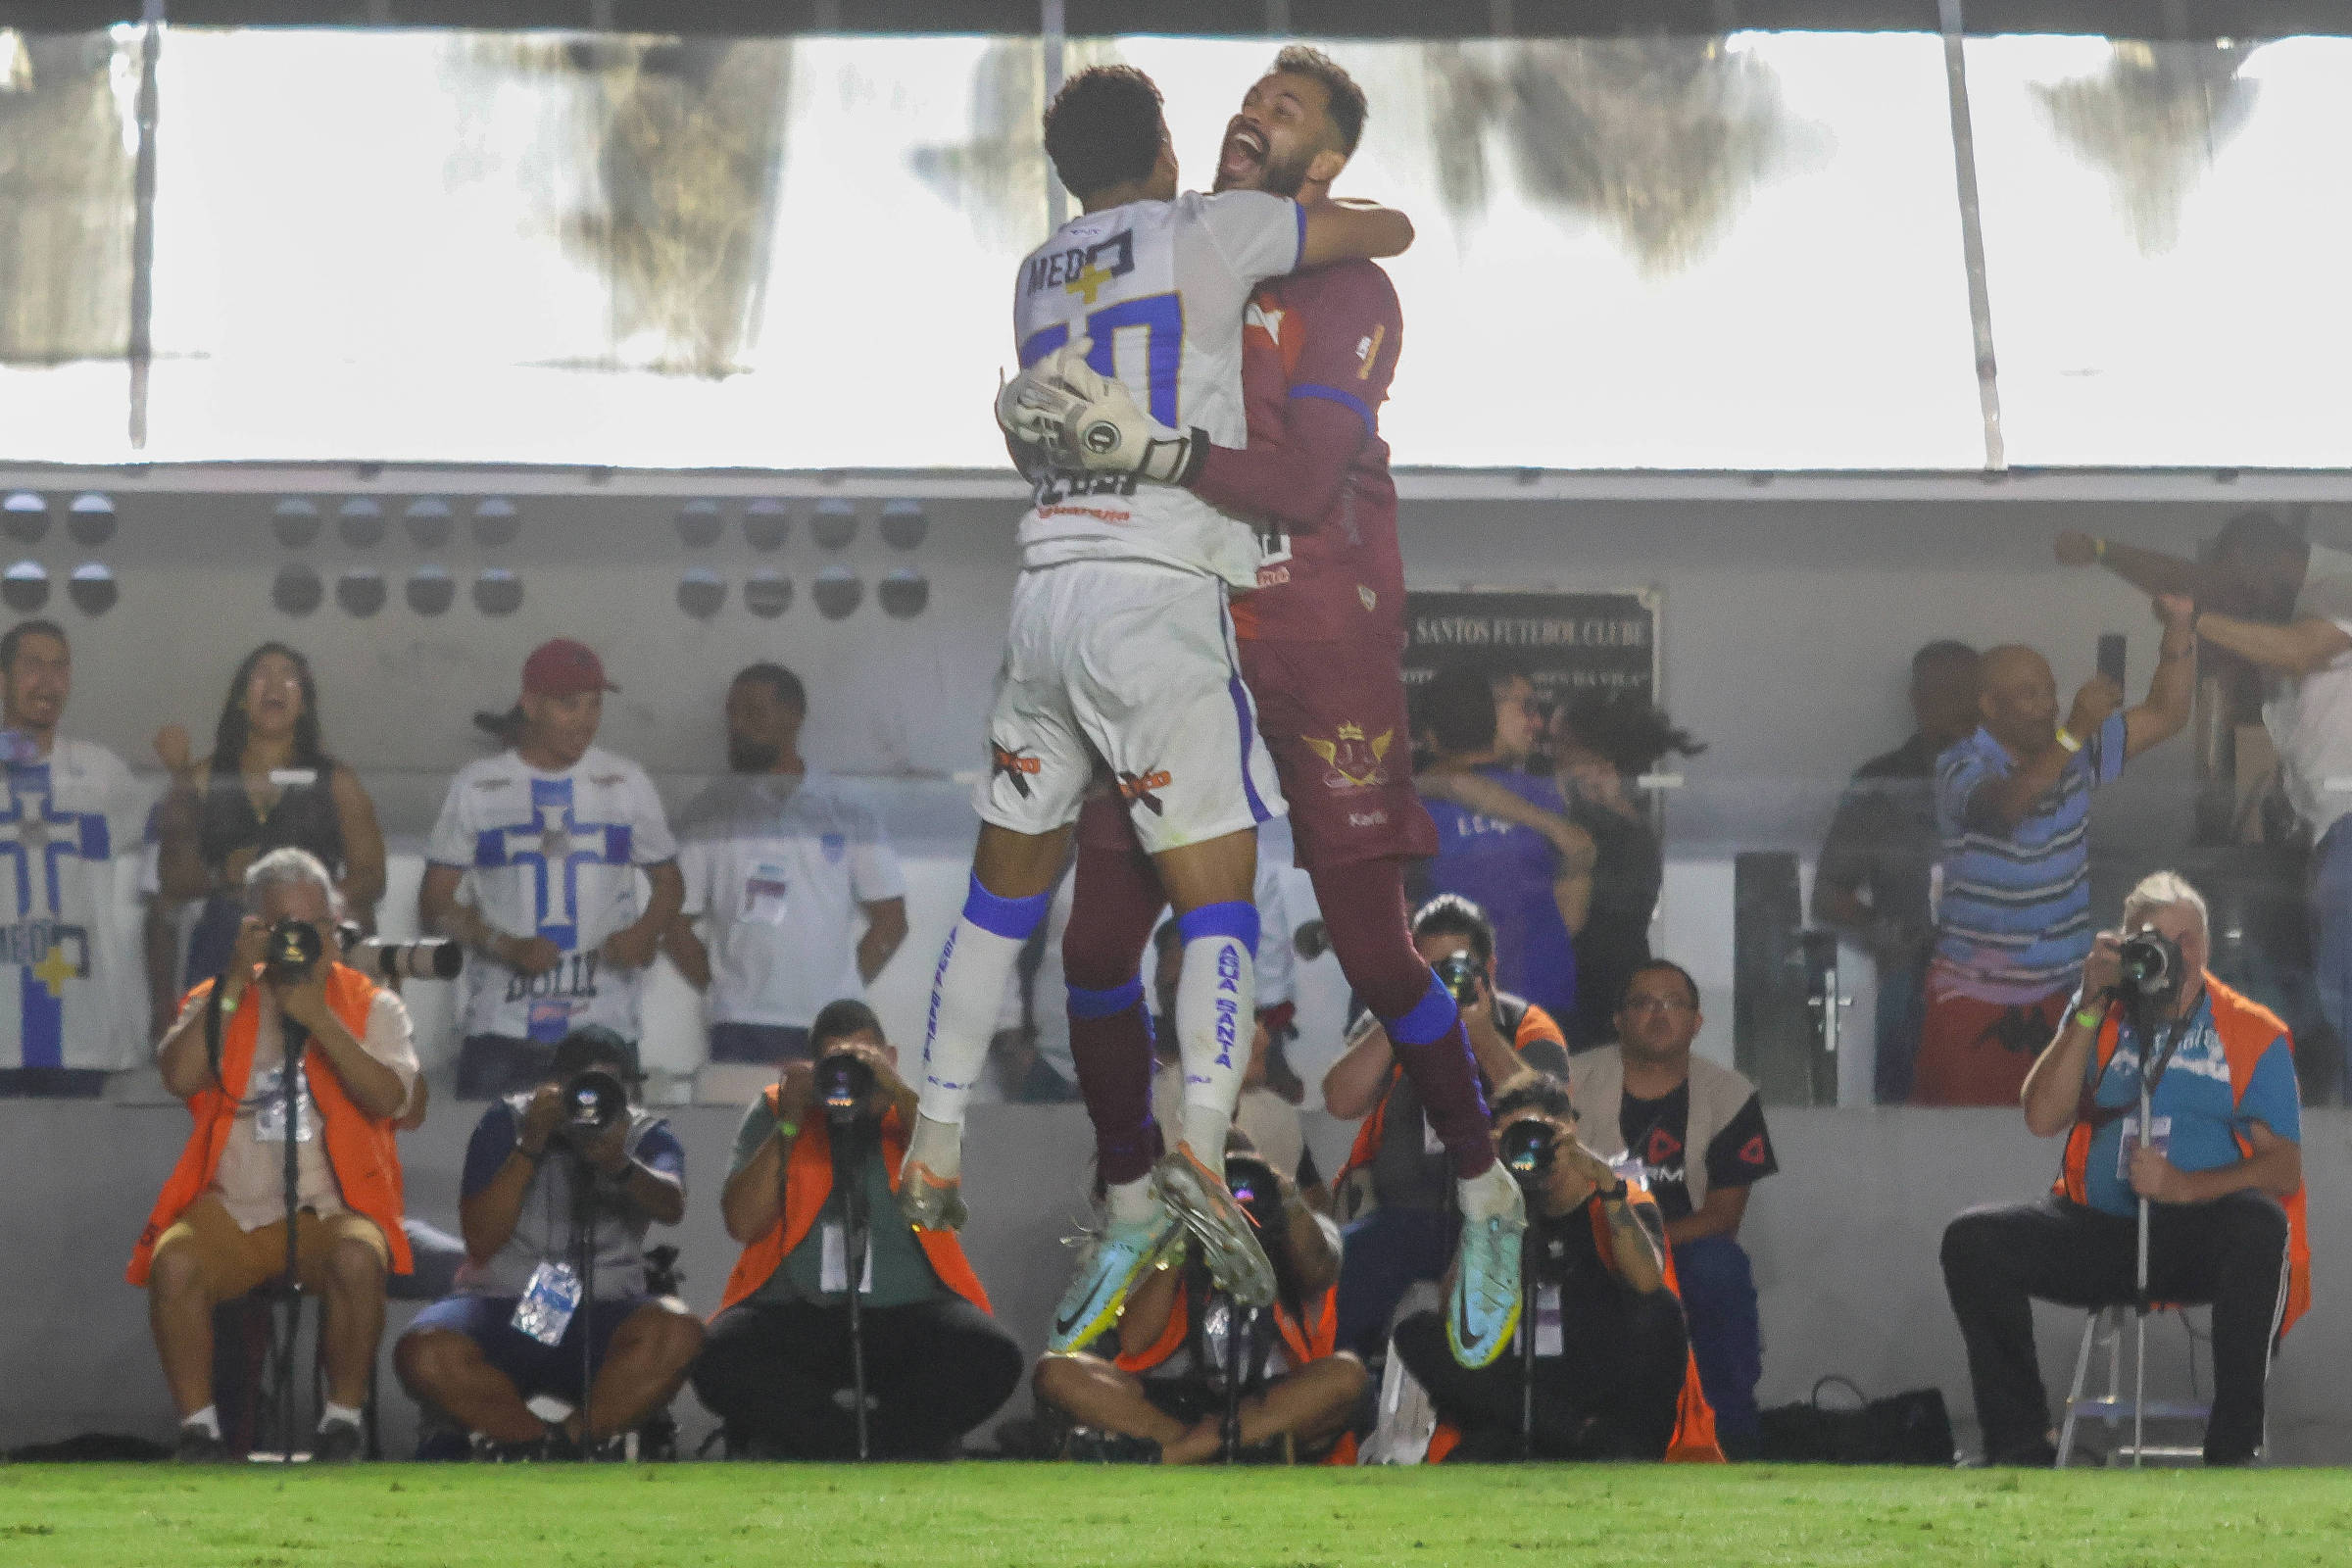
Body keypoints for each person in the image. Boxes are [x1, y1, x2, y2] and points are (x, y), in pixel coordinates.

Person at [999, 51, 1527, 1374]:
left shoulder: (1347, 285)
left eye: (1284, 112)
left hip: (1323, 634)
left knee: (1370, 945)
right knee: (1097, 943)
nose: (1251, 116)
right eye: (1247, 101)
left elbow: (1296, 482)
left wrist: (1157, 452)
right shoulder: (1176, 256)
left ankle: (1484, 1192)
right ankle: (1129, 1202)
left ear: (1327, 163)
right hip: (1183, 629)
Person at [910, 61, 1416, 1322]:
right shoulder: (1207, 229)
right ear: (1167, 143)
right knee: (1219, 892)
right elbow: (1386, 233)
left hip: (1041, 599)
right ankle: (1197, 1143)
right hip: (1150, 596)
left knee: (996, 903)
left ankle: (934, 1141)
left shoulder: (1034, 270)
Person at [1940, 872, 2310, 1467]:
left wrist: (2186, 1187)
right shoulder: (2102, 1011)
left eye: (2187, 940)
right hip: (2095, 1229)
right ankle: (2019, 1445)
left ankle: (2233, 1452)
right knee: (1972, 1239)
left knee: (2260, 1224)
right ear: (2125, 945)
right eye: (2154, 940)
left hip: (2195, 1235)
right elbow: (2042, 1117)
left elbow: (2285, 1170)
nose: (2174, 954)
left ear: (2208, 946)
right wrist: (2088, 1006)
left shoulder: (2252, 1031)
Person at [129, 848, 419, 1463]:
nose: (301, 942)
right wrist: (235, 983)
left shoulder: (372, 1004)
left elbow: (392, 1099)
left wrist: (319, 1017)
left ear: (334, 932)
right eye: (283, 928)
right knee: (173, 1263)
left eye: (315, 928)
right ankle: (200, 1431)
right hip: (234, 1208)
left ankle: (341, 1420)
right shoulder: (222, 997)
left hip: (331, 1206)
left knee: (359, 1258)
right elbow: (180, 1077)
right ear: (254, 928)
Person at [2059, 514, 2352, 1098]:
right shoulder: (2287, 600)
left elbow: (2300, 652)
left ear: (2260, 561)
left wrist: (2194, 622)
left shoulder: (2339, 584)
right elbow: (2185, 585)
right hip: (2328, 834)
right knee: (2330, 997)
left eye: (2233, 581)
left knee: (2340, 997)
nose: (2234, 599)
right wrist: (2102, 547)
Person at [692, 1001, 1023, 1459]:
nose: (850, 1076)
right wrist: (790, 1121)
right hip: (798, 1309)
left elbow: (943, 1181)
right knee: (719, 1358)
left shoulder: (916, 1113)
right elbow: (743, 1222)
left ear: (889, 1056)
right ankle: (865, 1446)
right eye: (836, 1064)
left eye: (864, 1060)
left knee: (990, 1357)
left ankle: (849, 1444)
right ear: (812, 1067)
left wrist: (896, 1090)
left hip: (909, 1307)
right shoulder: (777, 1109)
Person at [1919, 605, 2194, 1104]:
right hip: (1974, 999)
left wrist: (2179, 625)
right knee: (1961, 1147)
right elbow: (2008, 807)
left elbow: (2168, 714)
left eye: (2048, 691)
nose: (2046, 705)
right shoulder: (1958, 764)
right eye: (2028, 694)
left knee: (2062, 1143)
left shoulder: (2074, 753)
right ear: (1988, 703)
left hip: (2065, 997)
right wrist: (2075, 730)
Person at [393, 1029, 702, 1459]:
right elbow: (481, 1241)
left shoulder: (644, 1132)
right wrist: (531, 1145)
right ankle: (531, 1441)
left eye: (607, 1089)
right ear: (555, 1084)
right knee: (423, 1351)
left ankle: (572, 1441)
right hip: (508, 1299)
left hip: (605, 1307)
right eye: (580, 1088)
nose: (590, 1105)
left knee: (679, 1329)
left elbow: (672, 1206)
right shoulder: (509, 1122)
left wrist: (617, 1162)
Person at [1393, 1075, 1720, 1462]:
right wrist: (1486, 1199)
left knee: (1659, 1311)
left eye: (1541, 1136)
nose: (1532, 1150)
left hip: (1603, 1377)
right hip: (1531, 1392)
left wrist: (1608, 1189)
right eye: (1517, 1139)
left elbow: (1647, 1280)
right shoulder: (1499, 1204)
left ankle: (1602, 1443)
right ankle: (1570, 1437)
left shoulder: (1617, 1187)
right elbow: (1458, 1317)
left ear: (1570, 1131)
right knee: (1418, 1331)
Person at [419, 639, 682, 1098]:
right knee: (494, 1161)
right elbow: (434, 902)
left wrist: (644, 931)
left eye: (595, 704)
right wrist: (505, 945)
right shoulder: (477, 786)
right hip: (501, 1027)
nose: (586, 719)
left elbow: (669, 882)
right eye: (569, 704)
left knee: (606, 1162)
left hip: (604, 1027)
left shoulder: (627, 782)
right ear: (531, 705)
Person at [1323, 894, 1568, 1359]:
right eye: (1427, 969)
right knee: (1340, 1270)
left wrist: (1479, 1032)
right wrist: (1401, 1015)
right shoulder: (1393, 1017)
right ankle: (1338, 1398)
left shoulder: (1527, 1023)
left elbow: (1549, 1110)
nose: (1443, 982)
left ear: (1488, 969)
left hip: (1506, 1217)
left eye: (1455, 968)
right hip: (1404, 1217)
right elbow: (1340, 1099)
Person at [1033, 1139, 1363, 1464]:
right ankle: (1226, 1449)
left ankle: (1176, 1454)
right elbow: (1134, 1341)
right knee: (1055, 1369)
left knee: (1347, 1374)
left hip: (1270, 1400)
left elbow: (1319, 1269)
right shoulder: (1155, 1229)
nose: (1234, 1197)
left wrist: (1281, 1194)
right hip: (1171, 1400)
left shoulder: (1296, 1227)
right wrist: (1187, 1227)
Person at [1568, 959, 1776, 1458]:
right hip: (1592, 1242)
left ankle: (1731, 1436)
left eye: (1673, 1004)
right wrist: (1614, 1242)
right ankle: (1581, 1433)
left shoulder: (1730, 1095)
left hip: (1684, 1249)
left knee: (1721, 1269)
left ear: (1696, 1021)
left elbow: (1723, 1218)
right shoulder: (1574, 1081)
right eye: (1642, 1003)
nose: (1658, 1015)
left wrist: (1647, 1249)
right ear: (1618, 1020)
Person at [665, 662, 909, 1066]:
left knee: (832, 1129)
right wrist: (722, 991)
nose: (739, 725)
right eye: (733, 714)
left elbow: (891, 919)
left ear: (794, 716)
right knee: (747, 1129)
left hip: (832, 1026)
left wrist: (841, 991)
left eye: (754, 713)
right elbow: (672, 923)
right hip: (741, 1025)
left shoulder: (846, 809)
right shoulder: (709, 812)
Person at [151, 642, 387, 989]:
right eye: (261, 675)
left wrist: (314, 906)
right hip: (230, 930)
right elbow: (172, 878)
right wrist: (222, 878)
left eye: (289, 678)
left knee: (355, 921)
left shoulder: (337, 782)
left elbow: (371, 876)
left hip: (312, 936)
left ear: (304, 702)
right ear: (241, 699)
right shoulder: (203, 778)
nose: (275, 686)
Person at [1813, 641, 1982, 1104]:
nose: (1939, 702)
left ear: (1982, 697)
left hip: (2003, 984)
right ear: (1914, 698)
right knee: (1903, 1129)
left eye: (1955, 690)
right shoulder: (1883, 782)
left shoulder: (2015, 778)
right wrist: (1891, 932)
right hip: (1911, 986)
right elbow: (1828, 896)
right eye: (1927, 689)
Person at [0, 619, 141, 1094]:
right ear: (3, 678)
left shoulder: (101, 773)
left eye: (59, 667)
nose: (47, 679)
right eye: (32, 665)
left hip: (82, 1028)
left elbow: (162, 853)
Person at [1414, 662, 1592, 1029]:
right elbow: (1571, 919)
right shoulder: (1548, 800)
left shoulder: (1413, 808)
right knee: (1531, 1086)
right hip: (1538, 999)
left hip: (1450, 998)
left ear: (1429, 736)